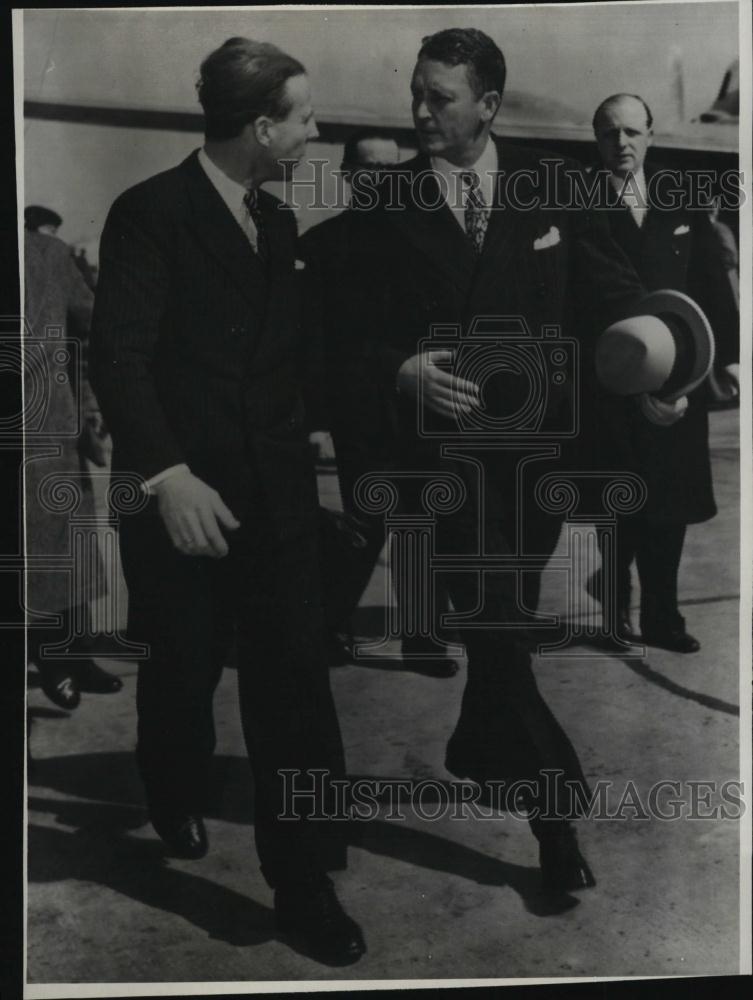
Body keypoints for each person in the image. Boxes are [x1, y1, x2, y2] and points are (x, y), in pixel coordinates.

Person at [340, 27, 650, 892]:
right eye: (415, 92)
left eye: (438, 97)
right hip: (443, 470)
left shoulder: (551, 189)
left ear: (487, 103)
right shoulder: (382, 202)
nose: (419, 111)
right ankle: (555, 825)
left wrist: (660, 357)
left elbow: (608, 291)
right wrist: (398, 371)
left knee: (495, 632)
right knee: (502, 631)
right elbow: (338, 333)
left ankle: (478, 743)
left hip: (538, 464)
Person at [90, 37, 364, 965]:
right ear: (261, 127)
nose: (315, 130)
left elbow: (295, 365)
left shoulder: (279, 225)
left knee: (292, 688)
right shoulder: (151, 213)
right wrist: (166, 477)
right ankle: (171, 791)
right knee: (184, 670)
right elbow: (118, 358)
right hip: (183, 503)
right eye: (304, 115)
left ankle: (301, 884)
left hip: (275, 504)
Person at [301, 130, 460, 677]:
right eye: (369, 169)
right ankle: (323, 628)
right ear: (348, 174)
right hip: (359, 413)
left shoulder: (426, 240)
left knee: (425, 524)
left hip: (421, 412)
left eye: (393, 168)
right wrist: (318, 422)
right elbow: (315, 344)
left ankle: (423, 641)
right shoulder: (321, 246)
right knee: (364, 527)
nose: (382, 179)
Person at [588, 93, 739, 652]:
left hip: (680, 375)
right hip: (615, 374)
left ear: (650, 135)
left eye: (631, 132)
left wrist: (726, 361)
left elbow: (708, 282)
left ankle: (663, 617)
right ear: (596, 139)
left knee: (668, 507)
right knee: (619, 507)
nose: (621, 143)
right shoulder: (582, 202)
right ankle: (614, 614)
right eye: (609, 134)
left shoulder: (681, 196)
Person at [24, 228, 122, 710]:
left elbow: (90, 329)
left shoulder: (45, 253)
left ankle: (72, 657)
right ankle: (51, 658)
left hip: (46, 430)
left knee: (64, 551)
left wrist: (87, 403)